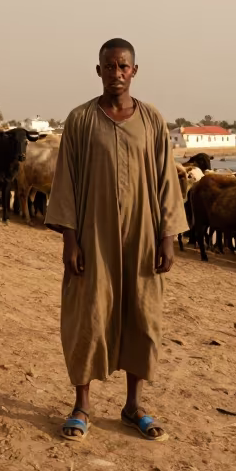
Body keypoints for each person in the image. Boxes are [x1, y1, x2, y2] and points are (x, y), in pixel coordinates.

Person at [46, 38, 186, 442]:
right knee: (88, 314)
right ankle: (82, 406)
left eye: (123, 66)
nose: (116, 73)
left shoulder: (153, 120)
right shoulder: (80, 120)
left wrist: (168, 237)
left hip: (143, 236)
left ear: (134, 71)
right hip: (93, 235)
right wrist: (70, 241)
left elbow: (165, 180)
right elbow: (66, 184)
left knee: (142, 315)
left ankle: (134, 406)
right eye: (109, 66)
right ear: (99, 71)